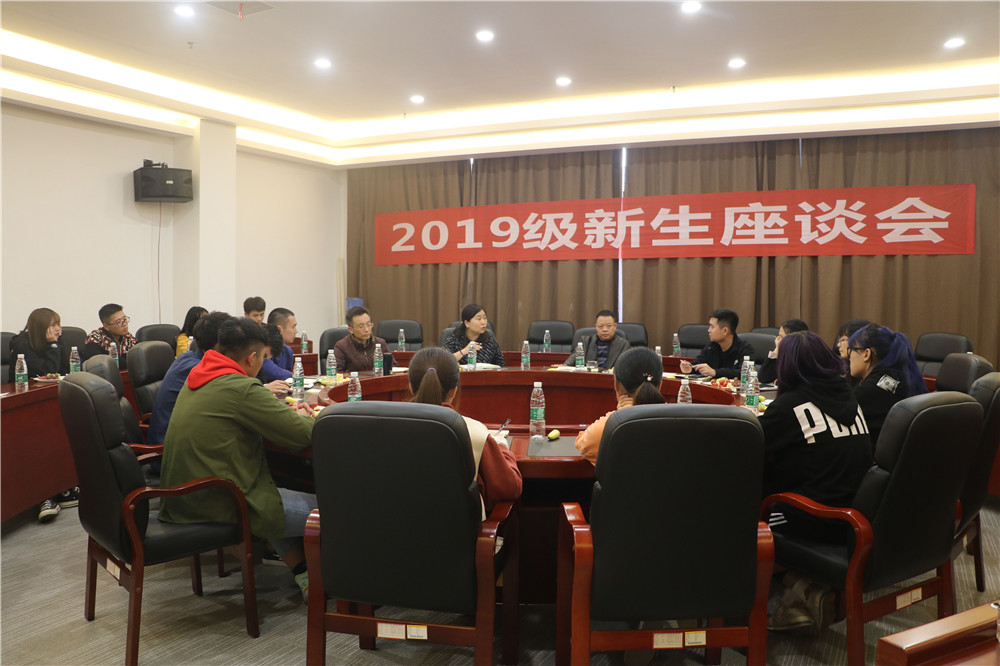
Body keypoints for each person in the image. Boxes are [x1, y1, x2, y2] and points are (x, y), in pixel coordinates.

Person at [158, 317, 318, 599]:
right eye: (264, 358)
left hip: (184, 495)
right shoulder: (240, 388)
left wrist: (280, 416)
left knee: (272, 482)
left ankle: (305, 573)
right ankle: (343, 583)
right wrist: (312, 416)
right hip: (220, 501)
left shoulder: (201, 374)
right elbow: (301, 434)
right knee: (337, 509)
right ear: (252, 357)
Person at [759, 331, 873, 633]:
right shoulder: (849, 396)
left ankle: (755, 594)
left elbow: (749, 443)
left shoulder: (791, 406)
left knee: (742, 500)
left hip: (814, 518)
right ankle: (801, 586)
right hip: (853, 515)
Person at [408, 347, 522, 515]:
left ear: (411, 387)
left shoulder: (386, 431)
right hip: (456, 530)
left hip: (392, 529)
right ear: (454, 391)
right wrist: (502, 449)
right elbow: (510, 487)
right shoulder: (474, 432)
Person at [7, 308, 78, 522]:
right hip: (25, 408)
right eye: (54, 325)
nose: (59, 329)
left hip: (52, 401)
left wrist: (56, 344)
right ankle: (44, 496)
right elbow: (45, 371)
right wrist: (54, 346)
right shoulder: (22, 345)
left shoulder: (58, 341)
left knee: (67, 430)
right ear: (40, 327)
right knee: (42, 438)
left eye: (59, 324)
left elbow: (67, 369)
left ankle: (63, 486)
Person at [148, 311, 230, 446]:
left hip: (184, 436)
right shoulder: (197, 369)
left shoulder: (188, 357)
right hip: (169, 446)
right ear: (218, 345)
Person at [574, 347, 666, 464]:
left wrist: (623, 413)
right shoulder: (680, 421)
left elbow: (582, 444)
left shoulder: (610, 426)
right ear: (660, 386)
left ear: (617, 385)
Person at [848, 323, 928, 449]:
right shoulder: (901, 379)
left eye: (851, 350)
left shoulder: (865, 393)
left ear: (866, 354)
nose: (849, 357)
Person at [679, 307, 754, 378]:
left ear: (725, 331)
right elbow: (698, 363)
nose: (709, 330)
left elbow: (743, 373)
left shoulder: (745, 350)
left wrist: (715, 372)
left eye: (712, 327)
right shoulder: (711, 347)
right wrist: (690, 368)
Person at [563, 309, 629, 369]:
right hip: (589, 376)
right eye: (600, 326)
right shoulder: (586, 341)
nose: (605, 329)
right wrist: (565, 366)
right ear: (596, 326)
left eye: (609, 326)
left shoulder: (623, 344)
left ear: (615, 326)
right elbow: (573, 358)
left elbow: (625, 367)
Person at [333, 306, 389, 373]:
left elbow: (393, 367)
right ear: (351, 330)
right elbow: (336, 373)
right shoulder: (342, 347)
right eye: (361, 326)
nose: (366, 329)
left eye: (368, 324)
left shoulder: (380, 343)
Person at [81, 303, 137, 369]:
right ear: (106, 326)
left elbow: (139, 359)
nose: (124, 324)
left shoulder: (128, 338)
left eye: (124, 319)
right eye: (118, 322)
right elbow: (100, 363)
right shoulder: (94, 338)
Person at [757, 318, 809, 384]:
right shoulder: (785, 354)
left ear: (793, 338)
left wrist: (776, 382)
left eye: (781, 337)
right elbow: (763, 378)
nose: (778, 340)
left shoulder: (805, 356)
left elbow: (790, 381)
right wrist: (776, 351)